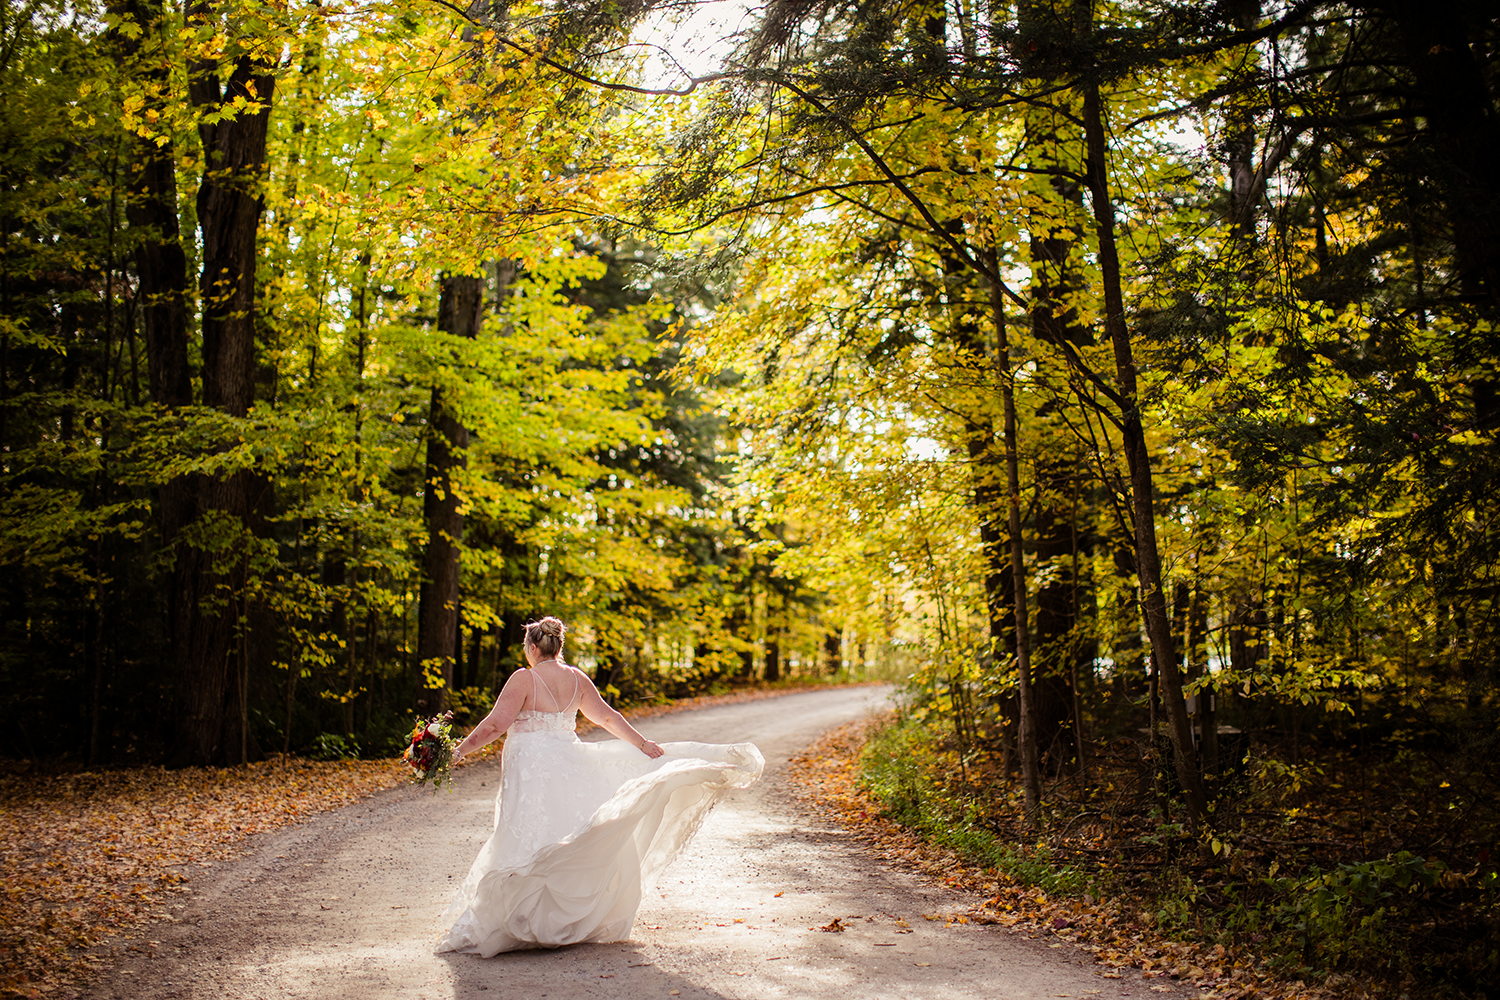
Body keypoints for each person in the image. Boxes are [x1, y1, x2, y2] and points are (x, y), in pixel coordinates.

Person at [435, 616, 763, 956]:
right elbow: (607, 717)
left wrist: (459, 751)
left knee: (526, 830)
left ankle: (520, 917)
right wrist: (642, 744)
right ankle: (558, 919)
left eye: (525, 647)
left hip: (531, 767)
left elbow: (494, 726)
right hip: (566, 762)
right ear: (558, 646)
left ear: (533, 647)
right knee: (564, 830)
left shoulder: (524, 679)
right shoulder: (576, 679)